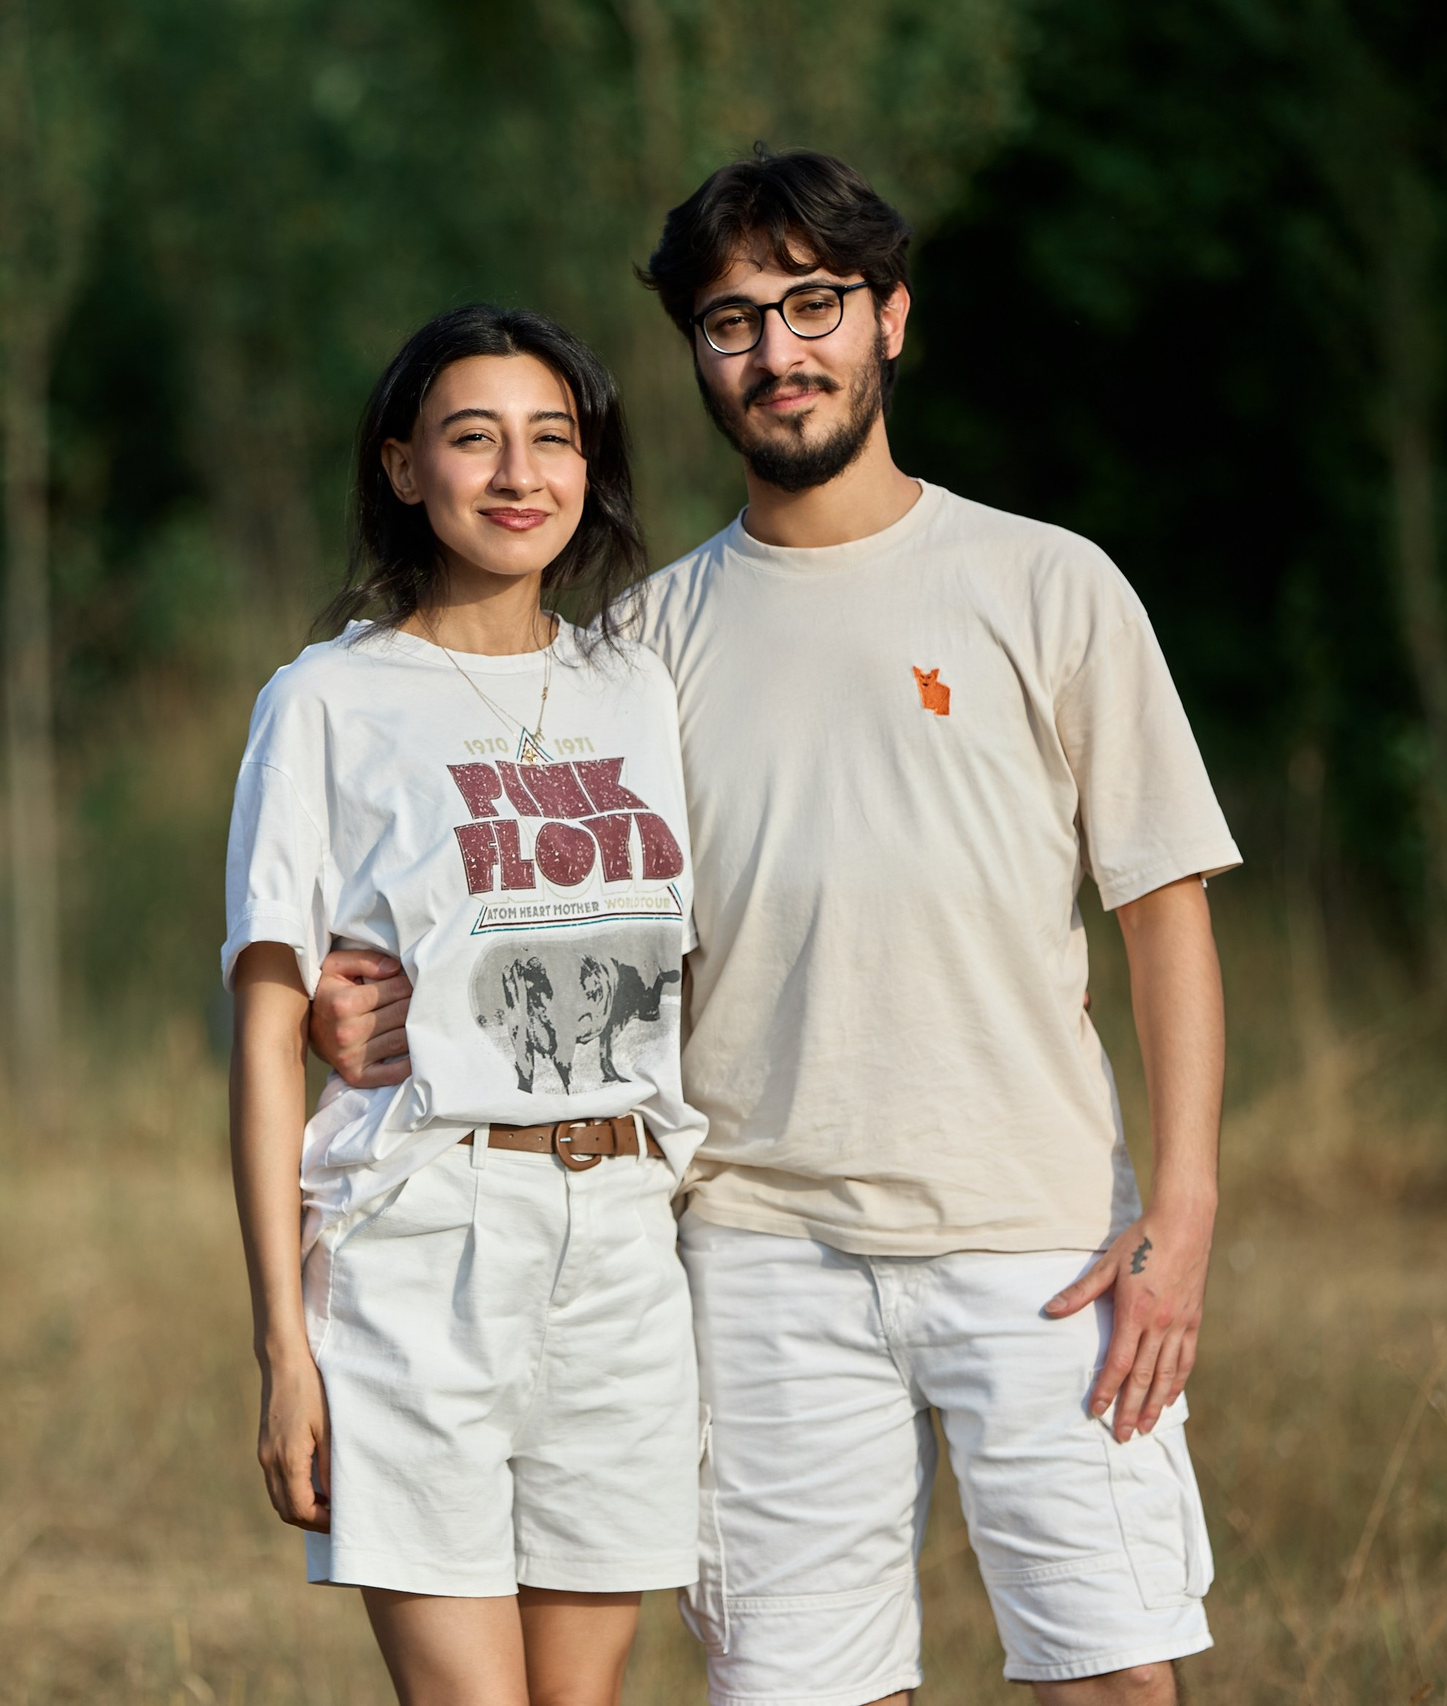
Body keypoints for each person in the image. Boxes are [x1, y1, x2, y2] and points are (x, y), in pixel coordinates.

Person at [311, 149, 1240, 1706]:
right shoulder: (639, 649)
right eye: (732, 321)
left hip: (1047, 1240)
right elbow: (538, 906)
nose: (776, 351)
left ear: (889, 320)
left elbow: (1165, 910)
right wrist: (372, 1010)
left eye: (813, 305)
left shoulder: (1048, 583)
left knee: (1113, 1678)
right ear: (698, 357)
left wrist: (1185, 1215)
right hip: (751, 1250)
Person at [227, 305, 705, 1706]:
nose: (517, 472)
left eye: (552, 437)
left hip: (622, 1240)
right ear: (401, 467)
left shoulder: (641, 687)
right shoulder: (327, 701)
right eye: (472, 436)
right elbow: (265, 1036)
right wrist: (281, 1349)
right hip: (423, 1234)